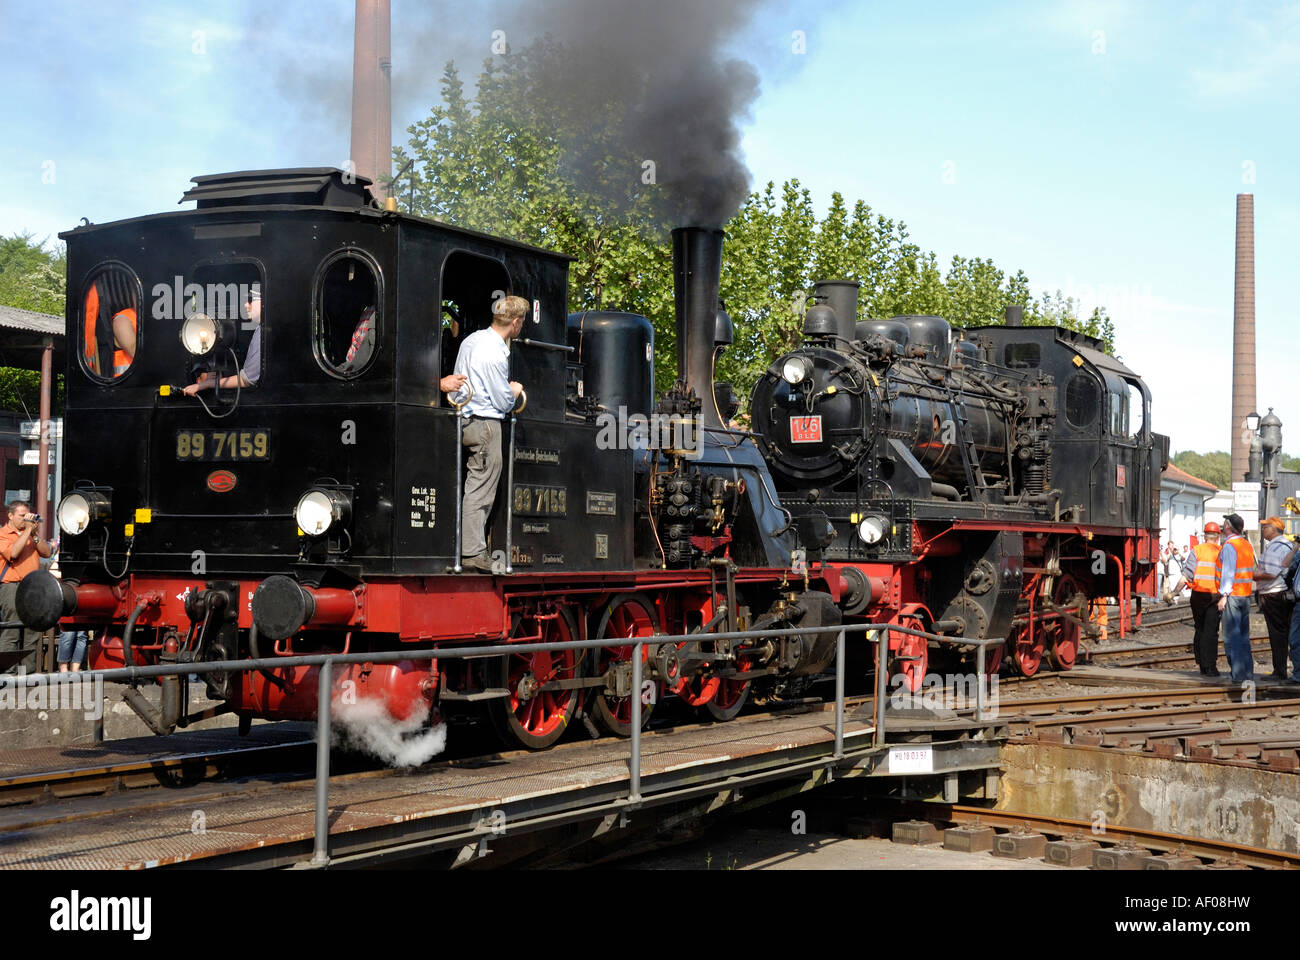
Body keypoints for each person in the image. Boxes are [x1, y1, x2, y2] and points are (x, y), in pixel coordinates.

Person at [450, 295, 527, 573]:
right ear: (516, 323)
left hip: (463, 418)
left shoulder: (471, 340)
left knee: (470, 484)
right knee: (481, 489)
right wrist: (514, 392)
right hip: (485, 424)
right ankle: (472, 552)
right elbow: (502, 401)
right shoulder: (496, 352)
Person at [0, 500, 54, 666]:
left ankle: (27, 673)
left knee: (32, 631)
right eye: (22, 516)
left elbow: (46, 553)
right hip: (12, 586)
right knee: (12, 631)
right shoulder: (3, 534)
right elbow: (13, 553)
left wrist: (35, 534)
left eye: (27, 515)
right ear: (10, 515)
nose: (25, 519)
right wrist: (28, 530)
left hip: (32, 587)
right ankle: (8, 673)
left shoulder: (30, 534)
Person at [184, 286, 263, 394]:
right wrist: (201, 376)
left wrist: (205, 384)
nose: (246, 305)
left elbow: (247, 380)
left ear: (264, 303)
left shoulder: (261, 333)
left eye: (251, 301)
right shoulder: (259, 330)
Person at [1254, 516, 1297, 681]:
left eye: (1266, 527)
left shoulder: (1275, 548)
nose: (1263, 529)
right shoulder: (1287, 545)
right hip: (1280, 593)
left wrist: (1253, 575)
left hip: (1273, 594)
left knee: (1277, 633)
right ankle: (1281, 669)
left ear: (1274, 529)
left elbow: (1271, 573)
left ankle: (1279, 671)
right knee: (1282, 632)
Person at [1216, 513, 1257, 684]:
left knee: (1231, 636)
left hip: (1232, 595)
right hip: (1245, 595)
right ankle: (1247, 673)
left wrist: (1224, 595)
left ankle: (1238, 675)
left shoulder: (1229, 546)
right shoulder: (1246, 544)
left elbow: (1228, 573)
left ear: (1228, 527)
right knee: (1243, 636)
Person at [1181, 521, 1223, 676]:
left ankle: (1201, 664)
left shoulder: (1196, 550)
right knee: (1211, 632)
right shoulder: (1222, 551)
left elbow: (1187, 575)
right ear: (1218, 536)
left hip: (1198, 595)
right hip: (1214, 596)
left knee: (1200, 629)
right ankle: (1210, 666)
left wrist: (1173, 592)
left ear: (1205, 535)